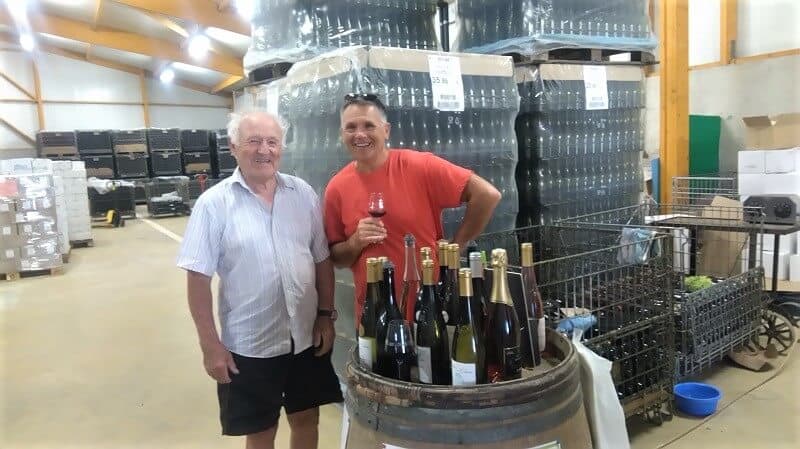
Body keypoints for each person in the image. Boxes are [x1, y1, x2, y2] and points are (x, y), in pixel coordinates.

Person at [176, 111, 343, 449]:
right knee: (261, 430)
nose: (263, 150)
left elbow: (321, 259)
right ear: (234, 147)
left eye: (271, 142)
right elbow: (197, 277)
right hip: (251, 345)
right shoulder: (214, 204)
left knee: (306, 418)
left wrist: (326, 315)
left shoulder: (303, 194)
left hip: (305, 337)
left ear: (281, 148)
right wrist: (211, 346)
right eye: (253, 141)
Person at [323, 93, 502, 321]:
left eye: (369, 126)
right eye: (351, 128)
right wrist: (355, 241)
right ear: (342, 134)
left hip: (427, 309)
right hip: (374, 315)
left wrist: (456, 247)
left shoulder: (418, 166)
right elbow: (338, 258)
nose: (359, 134)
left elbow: (487, 195)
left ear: (386, 130)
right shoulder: (336, 188)